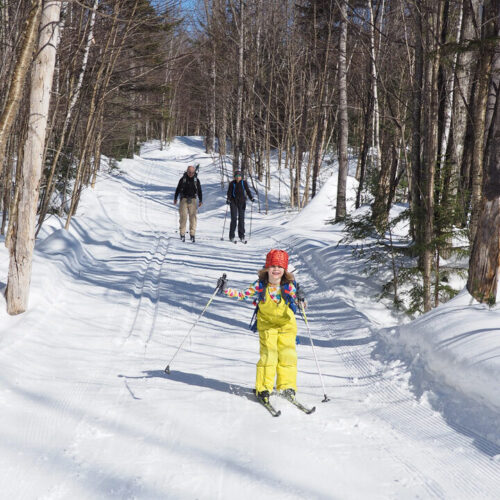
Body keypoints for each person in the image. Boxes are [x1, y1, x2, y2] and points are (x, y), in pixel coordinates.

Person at [217, 249, 306, 405]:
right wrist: (225, 289)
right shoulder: (260, 285)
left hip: (287, 326)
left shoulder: (289, 286)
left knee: (288, 356)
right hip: (267, 327)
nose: (276, 269)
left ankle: (287, 386)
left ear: (285, 270)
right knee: (269, 357)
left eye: (280, 266)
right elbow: (242, 294)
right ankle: (263, 388)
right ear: (267, 268)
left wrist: (301, 299)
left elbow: (301, 304)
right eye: (272, 266)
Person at [174, 165, 202, 243]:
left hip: (193, 200)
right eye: (189, 172)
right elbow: (178, 189)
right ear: (187, 171)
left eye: (192, 172)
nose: (190, 174)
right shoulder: (183, 179)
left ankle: (192, 234)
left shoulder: (196, 180)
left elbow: (199, 190)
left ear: (194, 172)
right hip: (183, 199)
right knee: (183, 217)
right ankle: (182, 233)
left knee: (193, 218)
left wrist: (200, 200)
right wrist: (175, 198)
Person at [226, 170, 254, 243]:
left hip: (242, 202)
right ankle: (231, 236)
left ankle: (241, 236)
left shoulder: (243, 182)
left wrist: (251, 198)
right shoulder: (232, 183)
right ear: (234, 177)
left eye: (239, 176)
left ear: (241, 177)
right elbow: (229, 192)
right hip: (233, 202)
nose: (238, 178)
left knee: (241, 219)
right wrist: (228, 199)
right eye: (236, 176)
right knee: (234, 218)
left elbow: (247, 191)